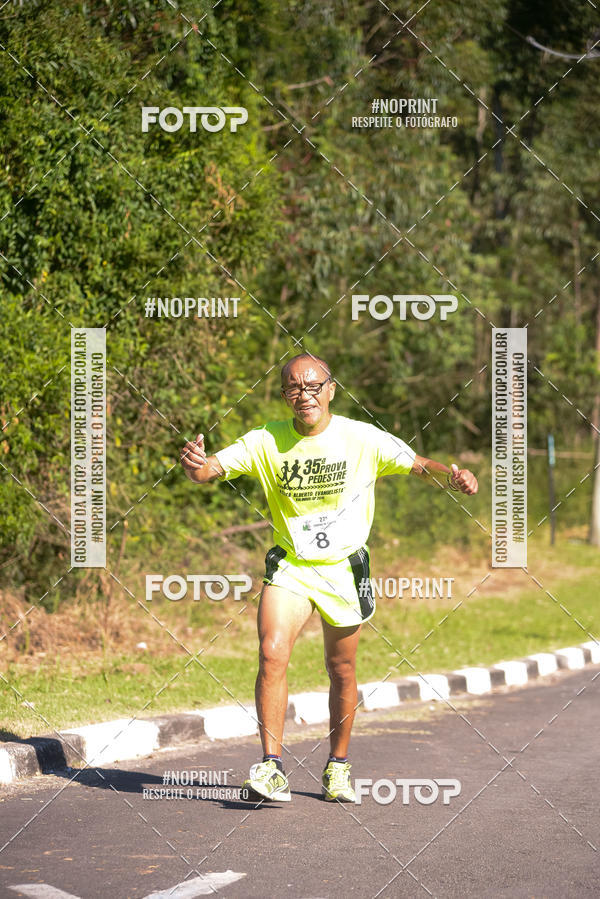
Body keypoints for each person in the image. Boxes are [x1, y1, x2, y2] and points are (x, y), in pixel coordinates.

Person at [180, 353, 478, 803]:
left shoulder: (361, 438)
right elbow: (206, 471)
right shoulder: (266, 441)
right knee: (272, 651)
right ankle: (271, 767)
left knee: (341, 669)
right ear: (284, 396)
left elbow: (416, 463)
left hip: (344, 569)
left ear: (331, 389)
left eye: (313, 385)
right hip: (291, 566)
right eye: (294, 388)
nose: (305, 395)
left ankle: (337, 766)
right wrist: (194, 462)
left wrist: (452, 477)